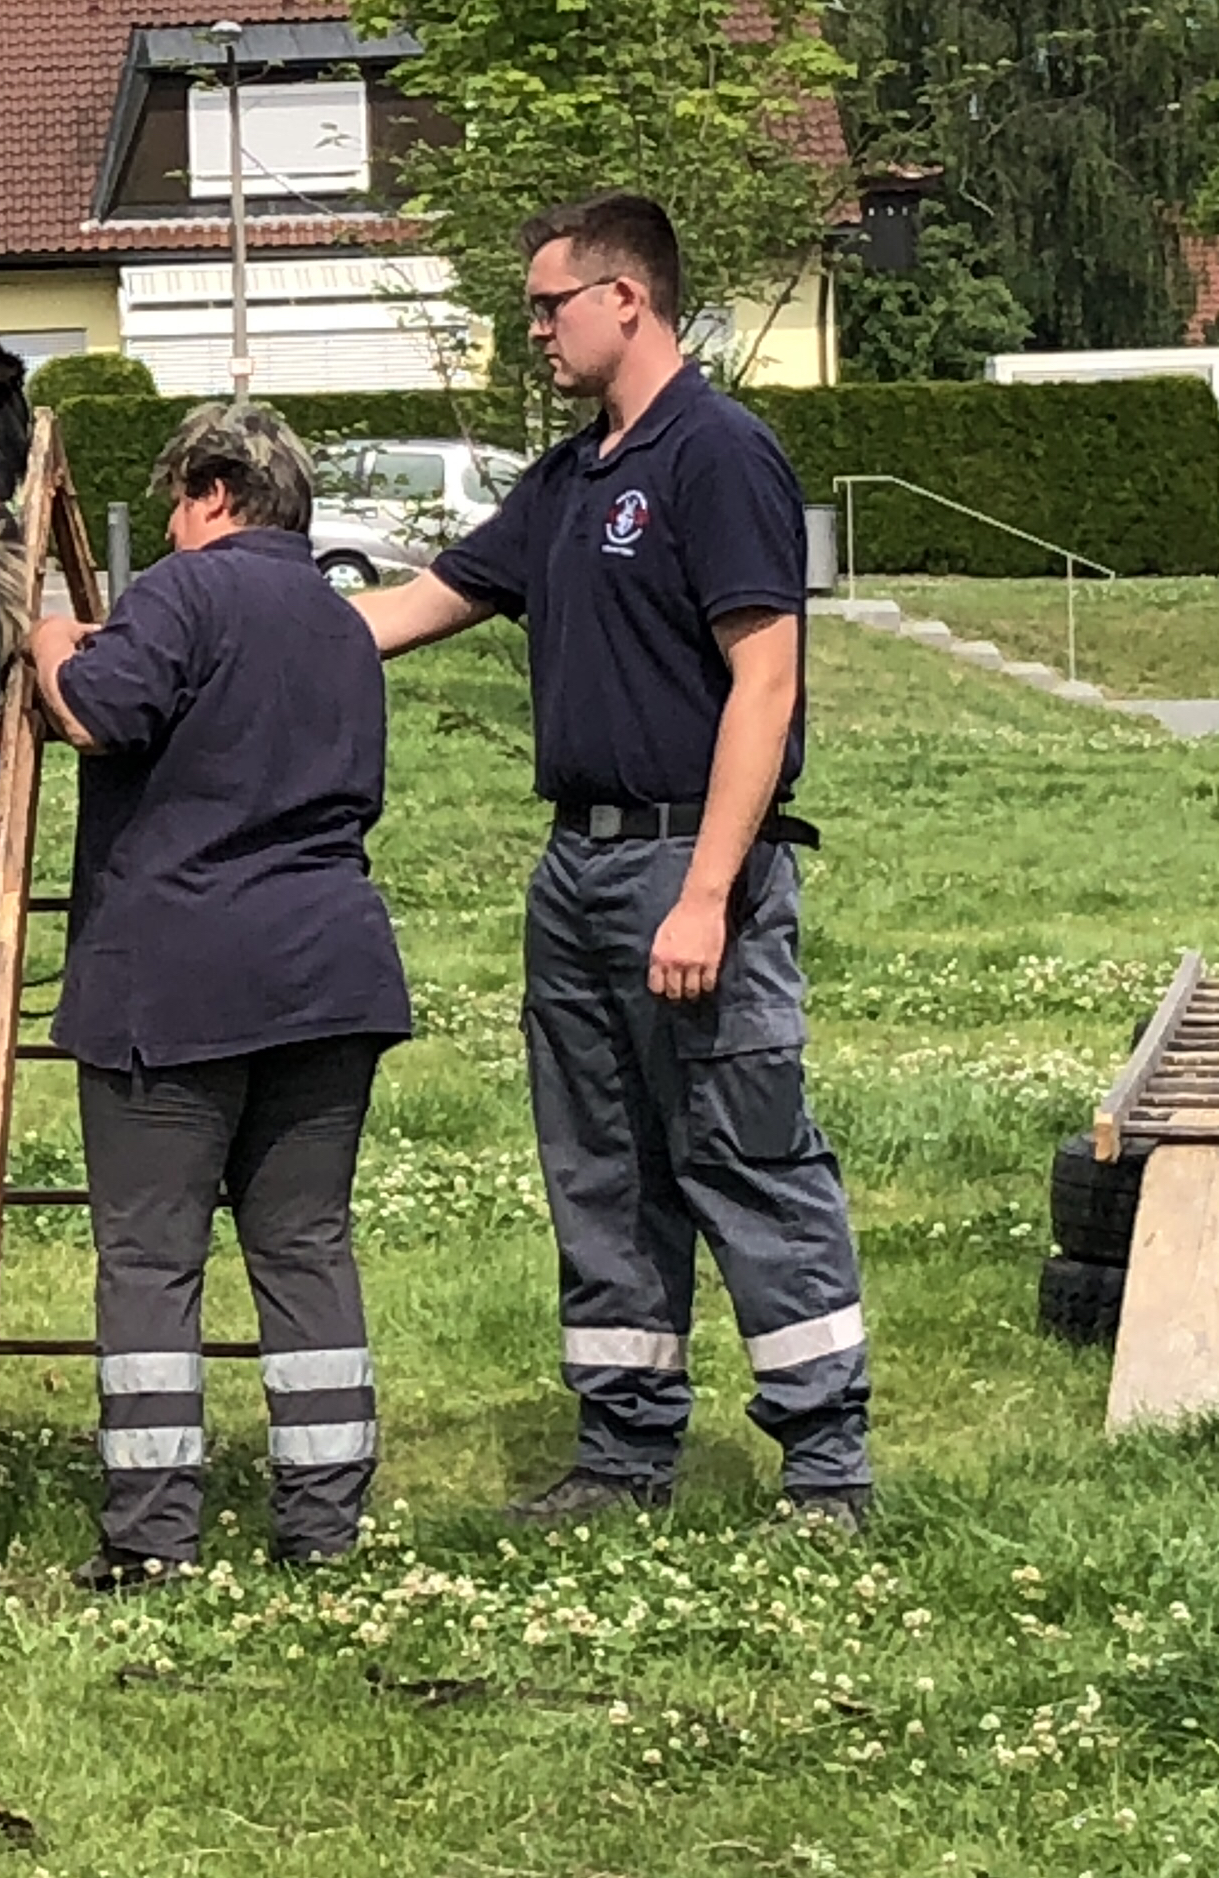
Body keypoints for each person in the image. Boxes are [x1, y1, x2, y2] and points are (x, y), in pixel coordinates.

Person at [358, 191, 871, 1534]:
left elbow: (766, 688)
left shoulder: (721, 457)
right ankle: (623, 1453)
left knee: (744, 1154)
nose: (528, 327)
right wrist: (214, 627)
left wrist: (708, 889)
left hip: (687, 867)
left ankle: (826, 1469)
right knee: (598, 1167)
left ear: (625, 299)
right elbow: (417, 603)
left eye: (547, 305)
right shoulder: (570, 479)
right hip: (574, 876)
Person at [26, 401, 413, 1587]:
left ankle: (152, 1536)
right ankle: (324, 1525)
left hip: (177, 977)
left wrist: (49, 641)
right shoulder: (344, 626)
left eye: (176, 501)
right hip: (331, 971)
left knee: (151, 1258)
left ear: (209, 491)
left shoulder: (183, 595)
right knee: (306, 1248)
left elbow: (100, 713)